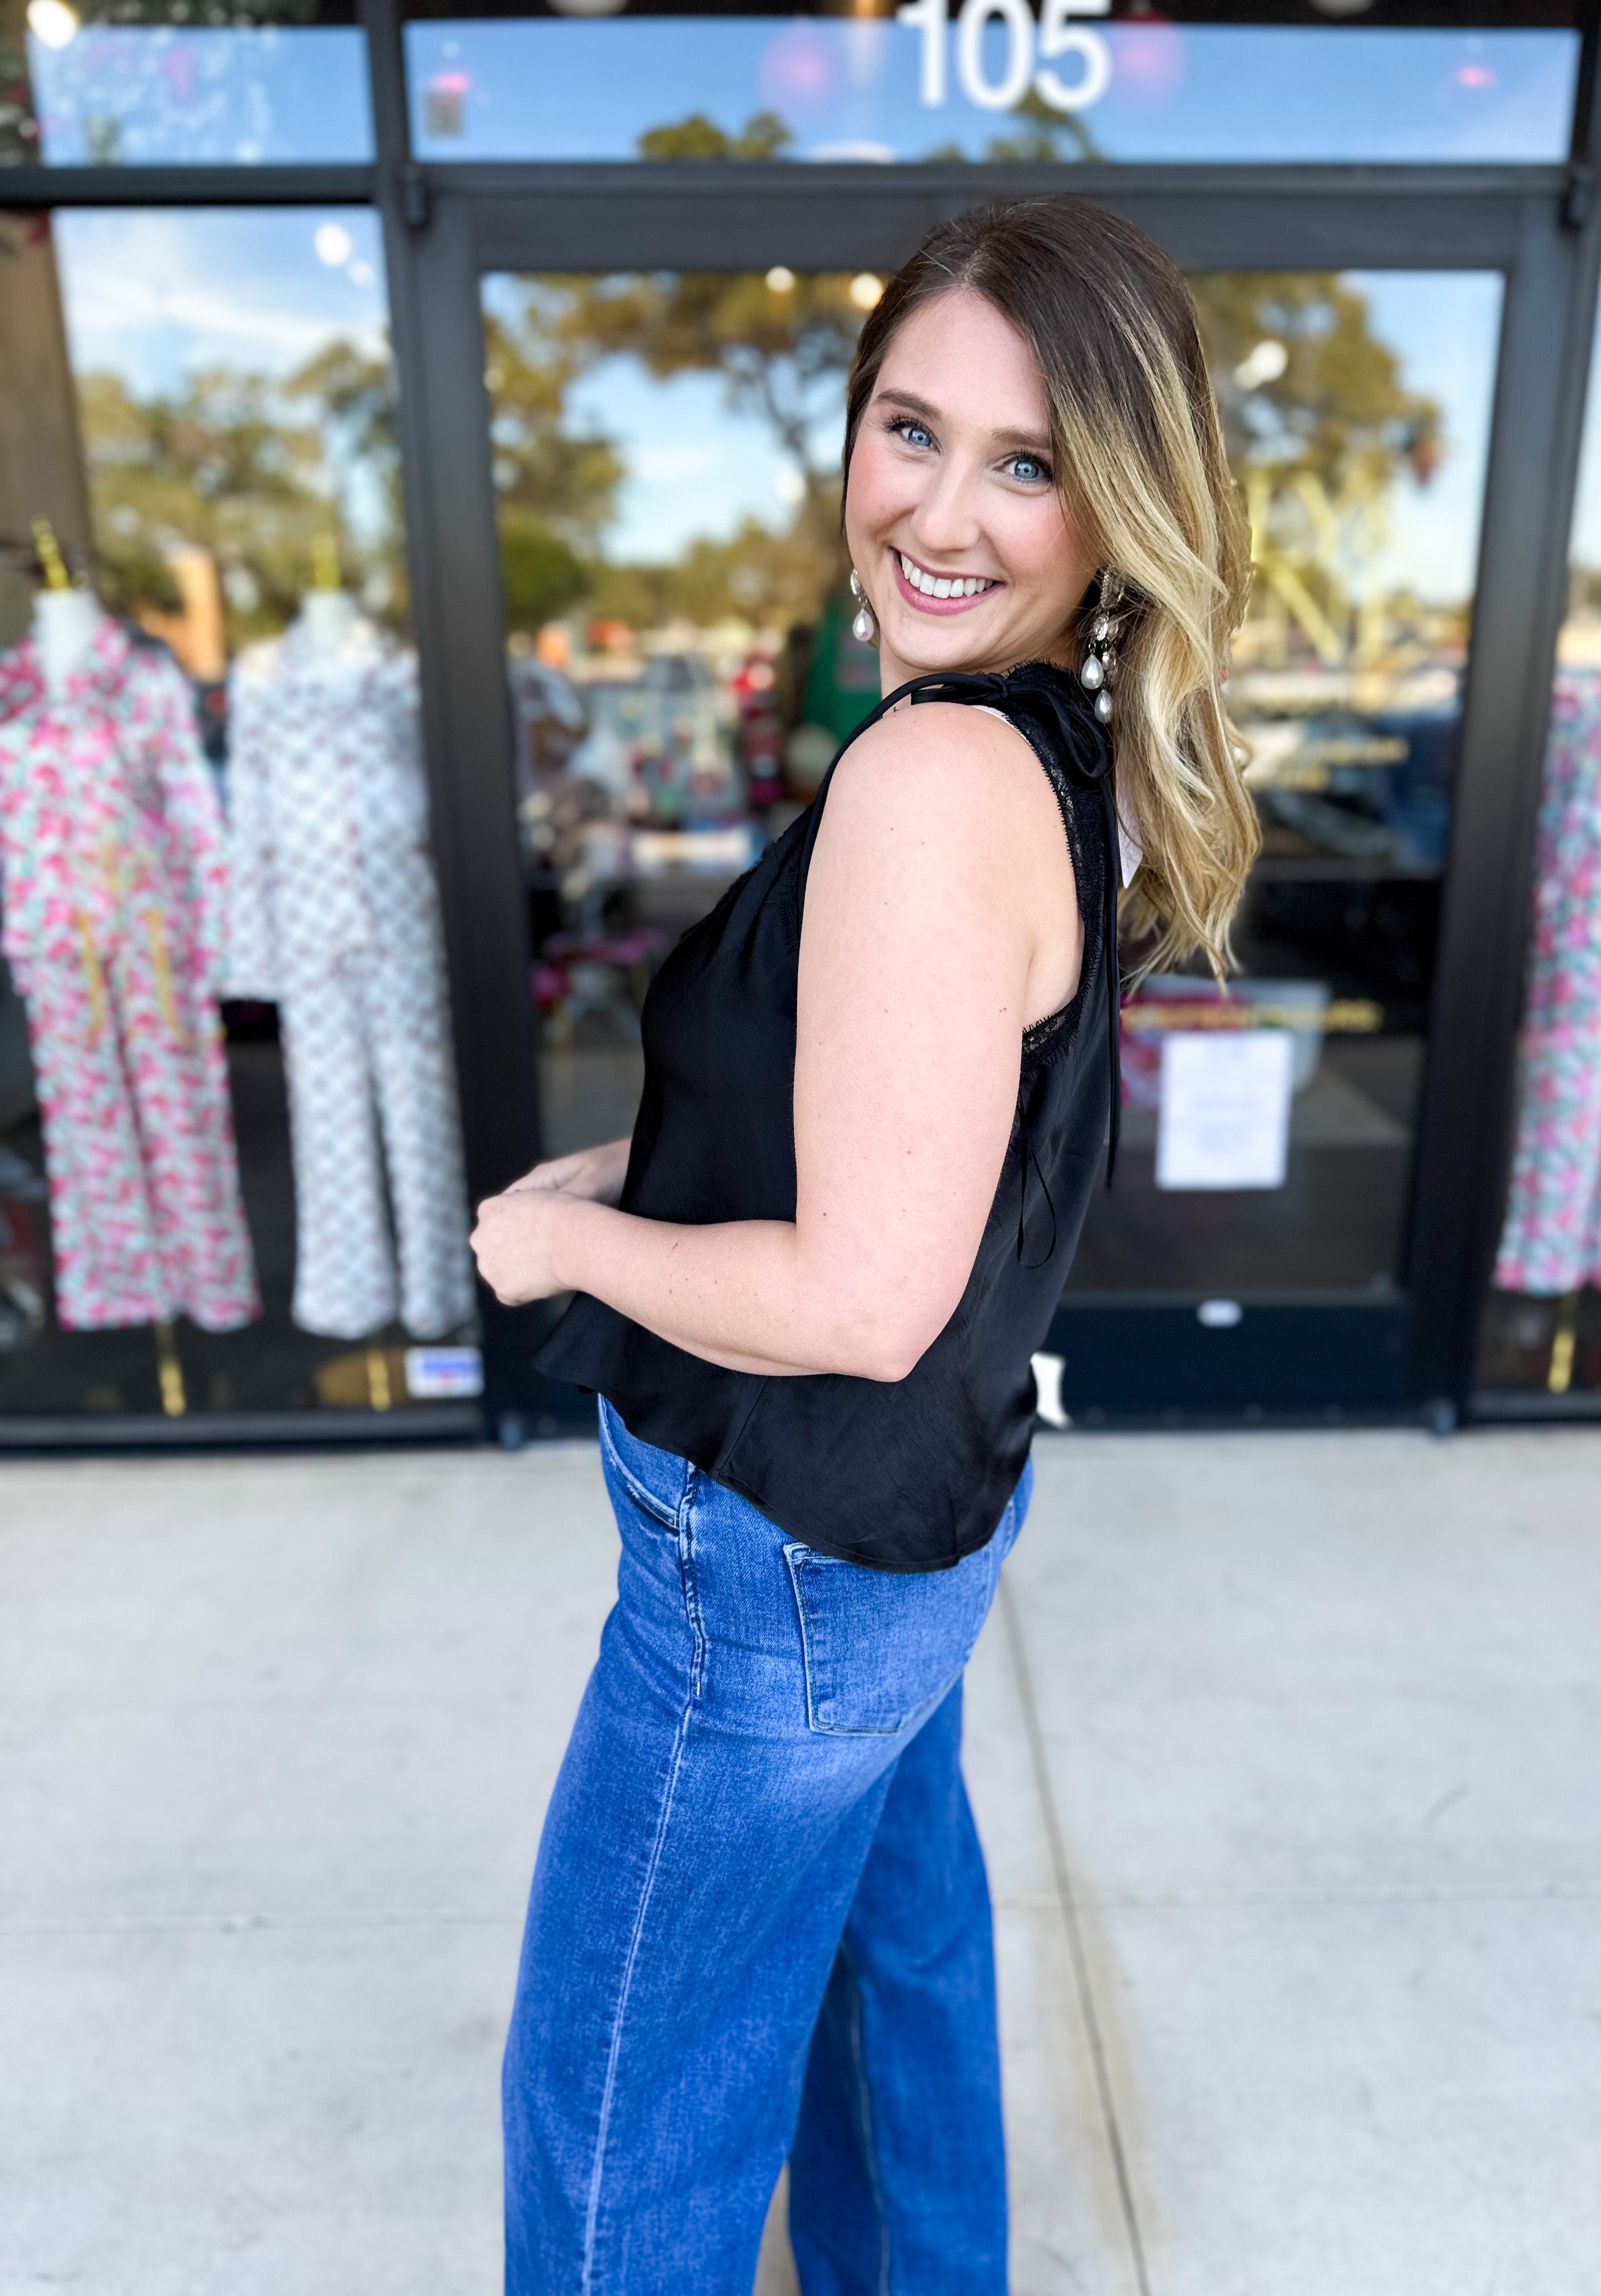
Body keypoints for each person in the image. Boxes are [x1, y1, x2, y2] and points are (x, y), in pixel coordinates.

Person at [470, 194, 1257, 2295]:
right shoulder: (1047, 752)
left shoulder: (931, 775)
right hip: (903, 1529)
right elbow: (888, 1147)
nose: (945, 511)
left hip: (776, 1561)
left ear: (1120, 506)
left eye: (1027, 463)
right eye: (911, 429)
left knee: (626, 2112)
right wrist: (631, 1180)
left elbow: (858, 1288)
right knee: (884, 1986)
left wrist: (569, 1257)